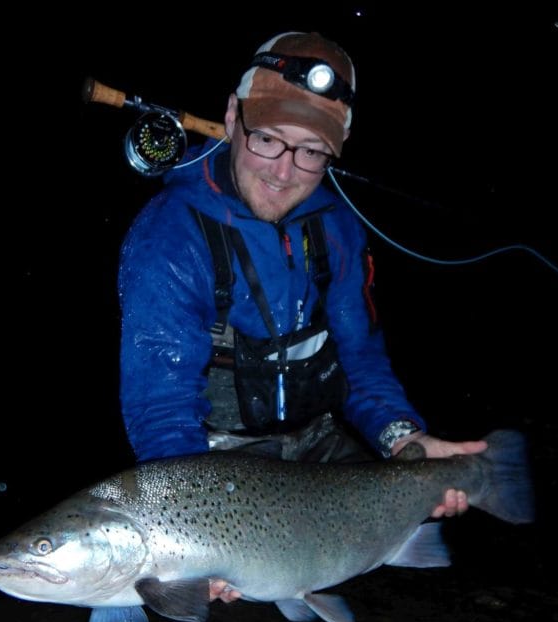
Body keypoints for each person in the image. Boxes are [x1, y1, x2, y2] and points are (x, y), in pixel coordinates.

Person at [118, 29, 486, 549]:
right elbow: (162, 408)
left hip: (317, 447)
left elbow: (358, 356)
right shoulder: (169, 238)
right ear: (232, 116)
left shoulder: (338, 227)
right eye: (267, 139)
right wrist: (188, 533)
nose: (283, 171)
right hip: (212, 456)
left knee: (417, 513)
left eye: (311, 151)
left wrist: (405, 440)